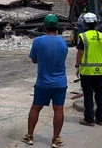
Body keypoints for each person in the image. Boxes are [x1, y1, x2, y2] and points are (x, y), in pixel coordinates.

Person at [22, 14, 67, 148]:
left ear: (44, 26)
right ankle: (55, 139)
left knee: (35, 108)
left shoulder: (38, 41)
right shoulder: (63, 42)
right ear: (57, 26)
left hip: (43, 82)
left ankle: (30, 136)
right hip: (60, 83)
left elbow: (34, 60)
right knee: (58, 110)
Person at [75, 12, 102, 127]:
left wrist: (77, 65)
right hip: (101, 71)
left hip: (87, 72)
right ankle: (101, 119)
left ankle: (89, 119)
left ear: (85, 24)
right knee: (100, 95)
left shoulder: (83, 36)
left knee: (88, 95)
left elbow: (80, 53)